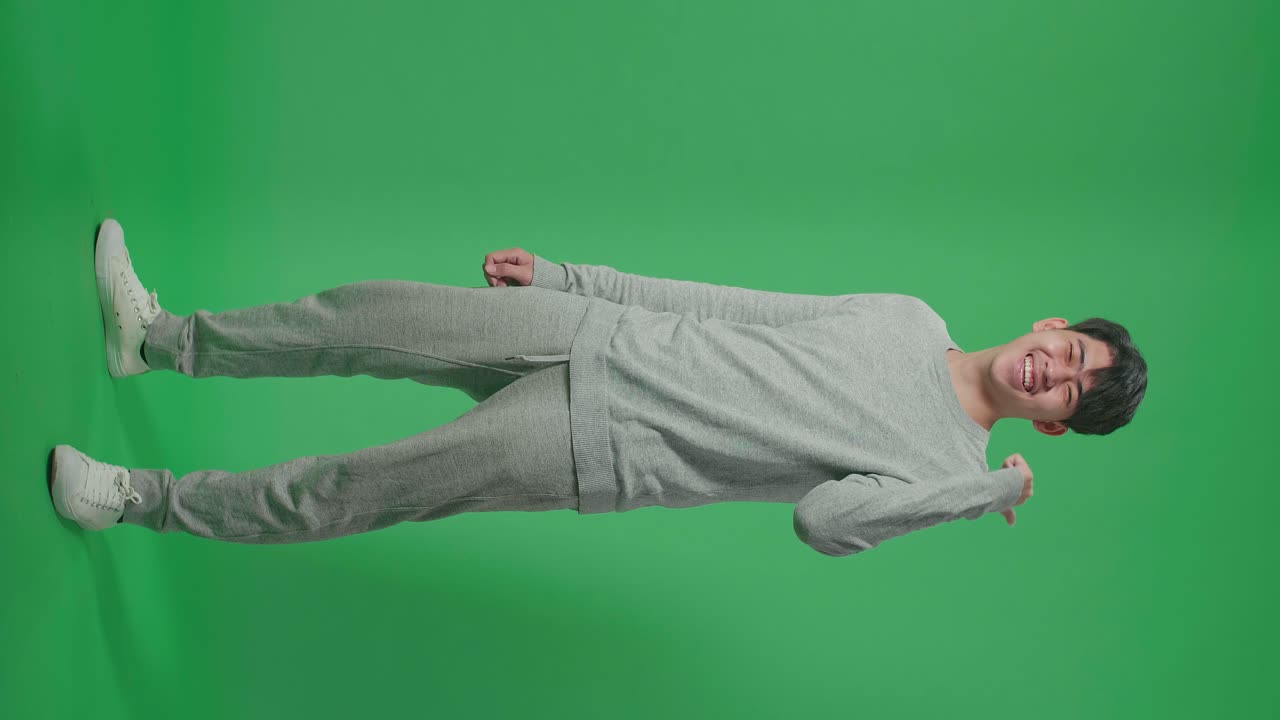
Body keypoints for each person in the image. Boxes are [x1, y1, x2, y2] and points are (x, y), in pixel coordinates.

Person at [48, 219, 1147, 556]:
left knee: (352, 486)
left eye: (1069, 395)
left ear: (1050, 425)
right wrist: (583, 279)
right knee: (367, 315)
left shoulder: (941, 472)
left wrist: (979, 492)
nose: (1056, 372)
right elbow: (737, 303)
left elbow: (820, 522)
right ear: (1052, 329)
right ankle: (155, 341)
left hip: (597, 448)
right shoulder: (911, 317)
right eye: (1073, 353)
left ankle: (134, 499)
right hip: (594, 329)